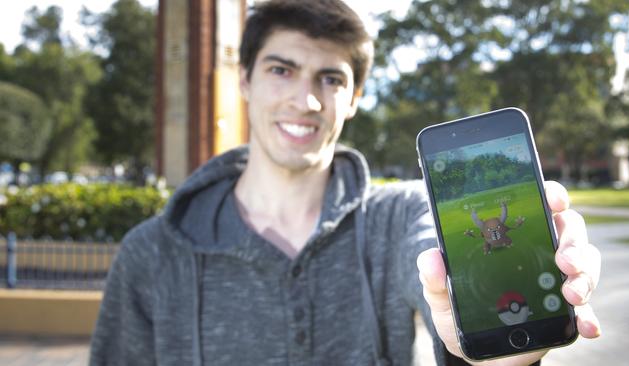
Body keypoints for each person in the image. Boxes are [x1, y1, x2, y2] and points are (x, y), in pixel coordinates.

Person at [89, 0, 601, 365]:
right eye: (281, 70)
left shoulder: (397, 217)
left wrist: (488, 355)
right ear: (243, 79)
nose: (306, 100)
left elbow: (431, 263)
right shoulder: (149, 254)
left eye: (330, 79)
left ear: (354, 97)